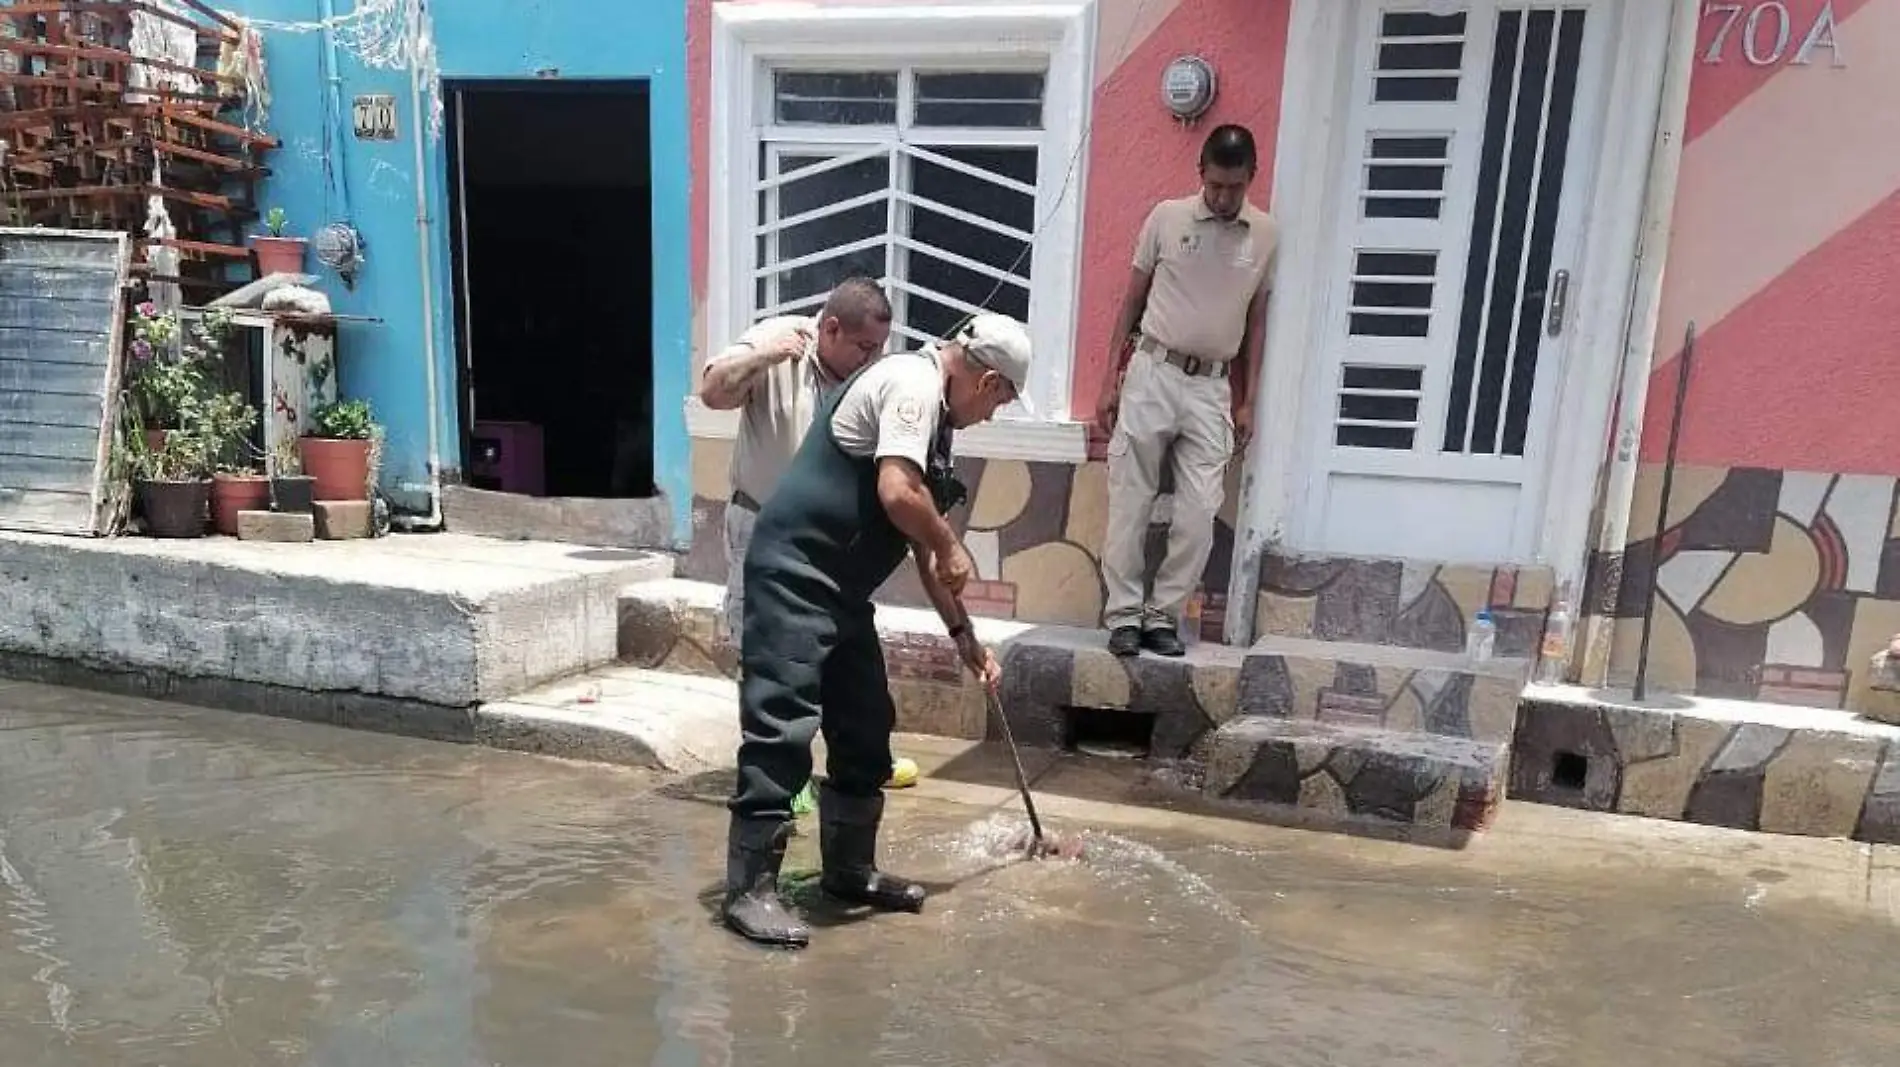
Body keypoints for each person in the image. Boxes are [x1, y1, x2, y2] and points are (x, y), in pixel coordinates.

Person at [721, 313, 1032, 949]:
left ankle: (849, 871)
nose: (993, 414)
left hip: (841, 593)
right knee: (782, 727)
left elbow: (921, 545)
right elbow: (897, 494)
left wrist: (964, 636)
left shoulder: (937, 424)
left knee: (866, 724)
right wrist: (950, 543)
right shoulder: (912, 384)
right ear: (990, 379)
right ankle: (749, 890)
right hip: (793, 574)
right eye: (1000, 400)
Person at [1093, 124, 1278, 658]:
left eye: (1235, 187)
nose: (1223, 198)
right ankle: (1124, 616)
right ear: (1201, 174)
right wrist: (1109, 379)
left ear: (1251, 179)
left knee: (1199, 512)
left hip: (1213, 387)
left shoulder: (1264, 235)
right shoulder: (1166, 219)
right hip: (1153, 370)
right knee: (1131, 499)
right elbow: (1130, 302)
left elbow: (1258, 321)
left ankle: (1163, 617)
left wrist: (1249, 400)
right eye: (1216, 185)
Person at [698, 277, 895, 643]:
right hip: (761, 524)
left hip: (827, 541)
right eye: (864, 347)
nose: (872, 358)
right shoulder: (779, 338)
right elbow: (712, 392)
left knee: (814, 649)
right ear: (832, 329)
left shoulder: (872, 376)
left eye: (879, 348)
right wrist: (764, 357)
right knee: (759, 649)